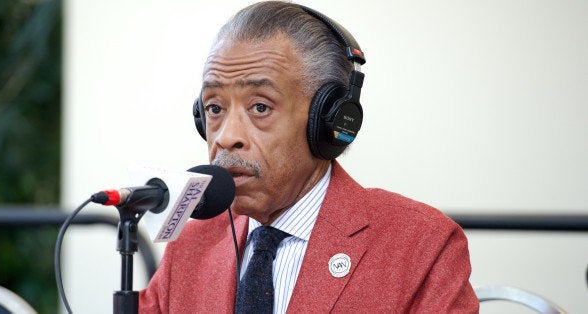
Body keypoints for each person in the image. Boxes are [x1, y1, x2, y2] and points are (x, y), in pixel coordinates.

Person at [139, 1, 479, 313]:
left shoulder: (420, 245)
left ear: (326, 121)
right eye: (214, 108)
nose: (227, 137)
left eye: (261, 107)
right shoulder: (190, 245)